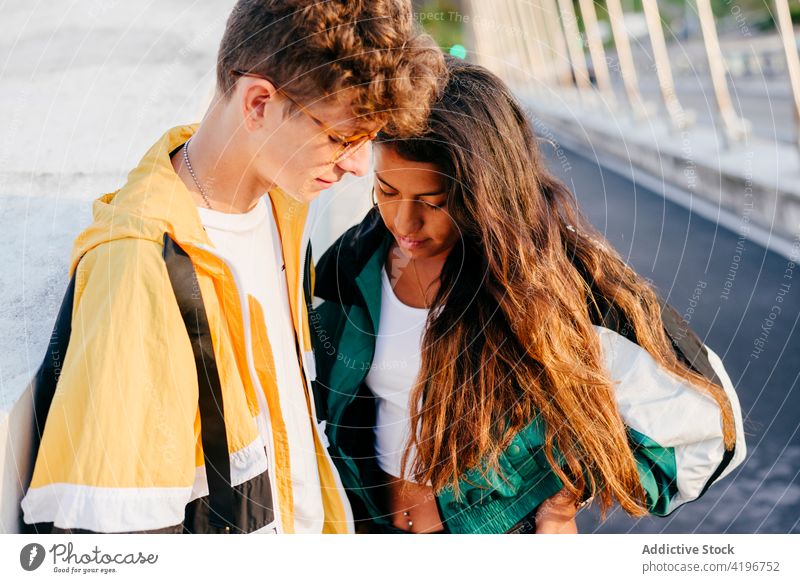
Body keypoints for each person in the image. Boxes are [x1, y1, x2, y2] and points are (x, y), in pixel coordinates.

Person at [20, 0, 445, 534]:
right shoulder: (141, 267)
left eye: (365, 142)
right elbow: (108, 538)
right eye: (340, 138)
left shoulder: (284, 204)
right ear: (259, 103)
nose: (358, 165)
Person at [310, 57, 746, 534]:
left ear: (485, 193)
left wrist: (558, 495)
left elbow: (709, 425)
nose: (404, 222)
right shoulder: (353, 264)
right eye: (387, 190)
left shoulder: (551, 281)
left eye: (434, 203)